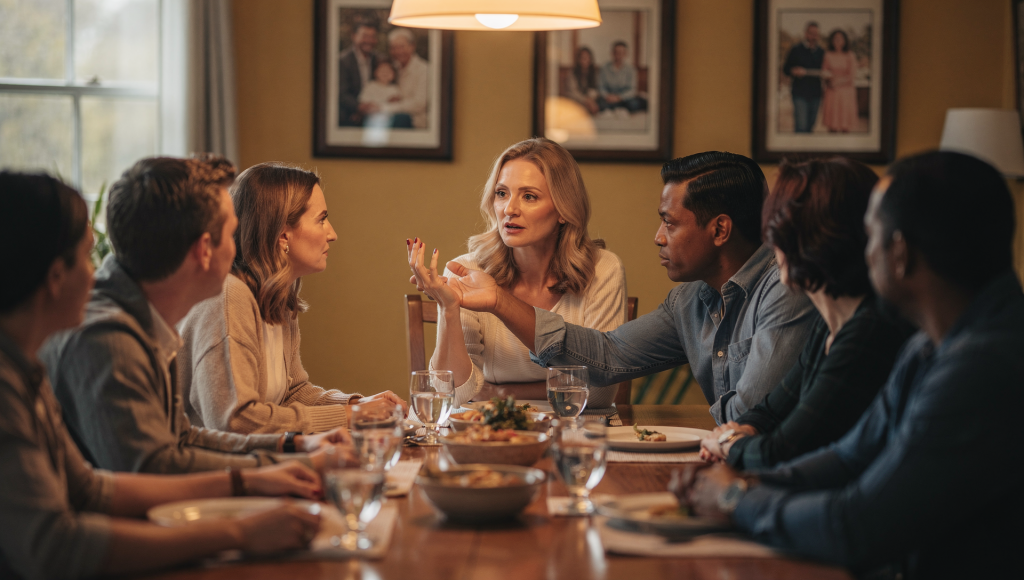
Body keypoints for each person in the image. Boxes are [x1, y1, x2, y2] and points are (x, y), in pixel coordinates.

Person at [677, 151, 1023, 579]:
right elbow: (848, 457)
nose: (863, 250)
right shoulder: (929, 347)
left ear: (900, 252)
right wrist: (734, 485)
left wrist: (736, 501)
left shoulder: (983, 366)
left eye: (871, 235)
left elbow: (857, 525)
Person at [0, 171, 326, 580]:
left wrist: (270, 466)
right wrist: (239, 530)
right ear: (55, 277)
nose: (95, 272)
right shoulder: (105, 340)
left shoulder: (28, 367)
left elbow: (92, 487)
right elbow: (56, 545)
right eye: (86, 257)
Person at [421, 151, 817, 423]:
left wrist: (497, 391)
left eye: (669, 222)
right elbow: (607, 356)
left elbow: (750, 417)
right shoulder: (689, 301)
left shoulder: (786, 289)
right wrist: (498, 300)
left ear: (720, 230)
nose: (658, 237)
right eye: (502, 193)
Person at [42, 156, 352, 474]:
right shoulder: (112, 340)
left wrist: (291, 446)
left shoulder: (149, 322)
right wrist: (269, 472)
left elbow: (181, 438)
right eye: (232, 233)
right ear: (204, 250)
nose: (239, 247)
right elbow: (152, 470)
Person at [699, 157, 914, 469]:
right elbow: (769, 412)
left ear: (808, 240)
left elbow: (781, 451)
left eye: (776, 232)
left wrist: (729, 443)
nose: (771, 247)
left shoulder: (868, 332)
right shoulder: (829, 326)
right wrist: (742, 433)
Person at [179, 162, 407, 434]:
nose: (332, 234)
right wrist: (350, 415)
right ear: (282, 235)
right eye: (321, 219)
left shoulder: (276, 294)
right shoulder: (229, 296)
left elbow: (291, 394)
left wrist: (357, 404)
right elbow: (237, 420)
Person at [407, 138, 627, 408]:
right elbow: (454, 394)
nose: (509, 209)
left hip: (572, 426)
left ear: (563, 209)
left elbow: (599, 392)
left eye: (529, 196)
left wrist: (500, 392)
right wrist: (448, 308)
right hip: (492, 428)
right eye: (501, 193)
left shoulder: (602, 269)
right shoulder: (466, 272)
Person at [782, 21, 825, 133]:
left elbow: (825, 71)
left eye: (816, 34)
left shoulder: (821, 52)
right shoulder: (796, 49)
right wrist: (793, 70)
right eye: (811, 33)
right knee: (801, 126)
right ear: (806, 33)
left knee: (811, 125)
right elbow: (786, 69)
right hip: (799, 93)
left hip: (816, 94)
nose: (813, 36)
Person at [338, 20, 381, 127]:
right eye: (365, 36)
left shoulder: (378, 59)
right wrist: (359, 107)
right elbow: (341, 93)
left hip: (375, 113)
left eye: (372, 36)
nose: (369, 40)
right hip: (348, 116)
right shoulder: (342, 61)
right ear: (354, 36)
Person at [385, 28, 427, 129]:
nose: (398, 51)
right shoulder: (392, 68)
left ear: (412, 46)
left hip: (416, 124)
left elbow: (419, 104)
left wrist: (388, 107)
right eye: (394, 48)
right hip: (391, 120)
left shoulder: (424, 70)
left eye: (402, 46)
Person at [821, 29, 859, 133]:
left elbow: (852, 75)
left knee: (845, 124)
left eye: (840, 39)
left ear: (845, 41)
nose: (837, 41)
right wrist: (828, 79)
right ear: (832, 41)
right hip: (832, 92)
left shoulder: (850, 55)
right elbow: (824, 71)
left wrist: (838, 82)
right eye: (835, 39)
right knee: (832, 124)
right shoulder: (828, 55)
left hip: (846, 92)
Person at [598, 41, 647, 114]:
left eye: (621, 53)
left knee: (634, 104)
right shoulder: (604, 68)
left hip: (624, 99)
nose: (618, 55)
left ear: (625, 54)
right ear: (612, 53)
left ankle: (619, 110)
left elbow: (632, 89)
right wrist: (608, 96)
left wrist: (619, 97)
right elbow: (601, 87)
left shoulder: (631, 69)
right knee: (601, 104)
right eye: (616, 52)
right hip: (609, 98)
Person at [359, 60, 402, 129]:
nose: (385, 73)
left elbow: (397, 105)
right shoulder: (370, 86)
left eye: (388, 71)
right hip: (372, 115)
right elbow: (363, 101)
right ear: (375, 73)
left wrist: (383, 107)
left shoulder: (394, 89)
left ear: (393, 75)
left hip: (388, 116)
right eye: (382, 71)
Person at [564, 46, 600, 115]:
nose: (586, 60)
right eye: (583, 58)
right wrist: (586, 100)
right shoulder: (573, 73)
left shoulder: (593, 72)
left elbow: (596, 89)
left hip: (590, 100)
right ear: (579, 59)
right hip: (577, 100)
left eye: (588, 58)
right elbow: (573, 92)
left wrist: (591, 99)